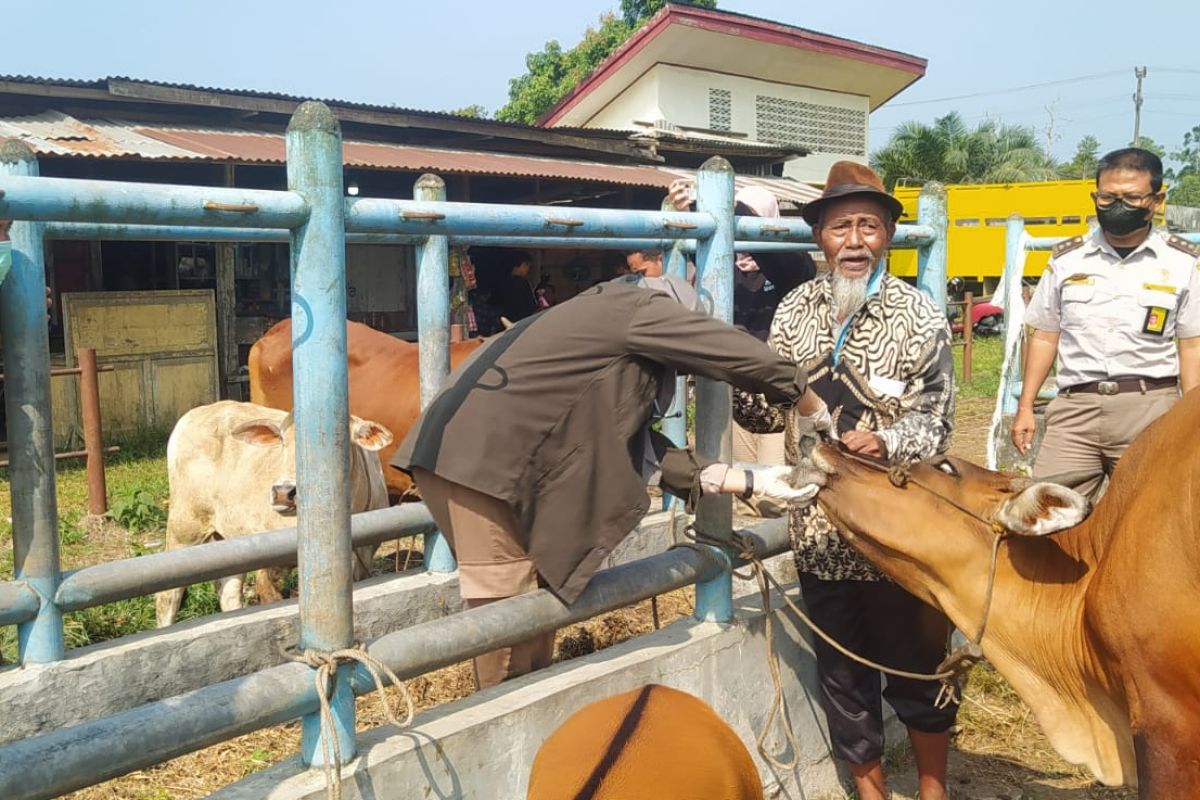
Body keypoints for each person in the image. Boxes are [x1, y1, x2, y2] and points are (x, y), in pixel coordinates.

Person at [391, 275, 826, 690]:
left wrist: (750, 480)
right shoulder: (641, 307)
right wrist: (804, 396)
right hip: (482, 464)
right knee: (505, 606)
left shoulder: (597, 325)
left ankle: (533, 685)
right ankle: (492, 709)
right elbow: (727, 349)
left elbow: (635, 446)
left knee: (534, 595)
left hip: (472, 458)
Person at [737, 162, 957, 800]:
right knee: (843, 675)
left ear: (887, 234)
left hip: (900, 527)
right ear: (820, 239)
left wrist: (885, 440)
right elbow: (765, 408)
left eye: (868, 226)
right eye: (840, 228)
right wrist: (738, 378)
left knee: (918, 670)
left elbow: (938, 419)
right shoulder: (793, 312)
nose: (854, 241)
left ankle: (933, 792)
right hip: (820, 525)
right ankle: (871, 794)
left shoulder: (918, 314)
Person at [1011, 147, 1200, 499]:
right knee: (1047, 518)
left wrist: (1193, 421)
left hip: (1150, 410)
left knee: (1149, 519)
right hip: (1073, 412)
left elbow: (1191, 347)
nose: (1118, 206)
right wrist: (1025, 407)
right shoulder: (1067, 259)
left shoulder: (1182, 263)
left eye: (1131, 197)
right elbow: (1045, 336)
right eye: (1108, 196)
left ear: (1157, 200)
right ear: (1094, 196)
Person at [667, 181, 818, 515]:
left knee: (781, 491)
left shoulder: (794, 266)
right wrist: (689, 209)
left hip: (785, 394)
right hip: (737, 392)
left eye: (750, 220)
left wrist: (723, 210)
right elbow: (699, 248)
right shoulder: (726, 270)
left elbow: (781, 260)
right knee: (746, 492)